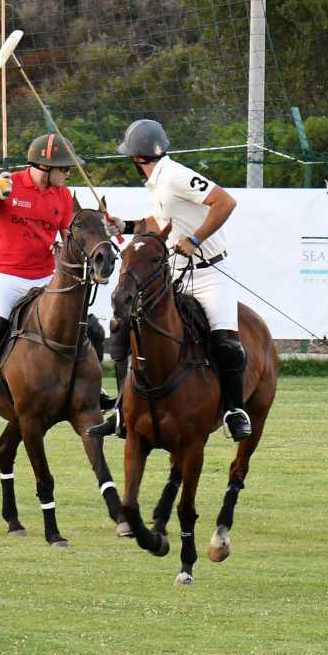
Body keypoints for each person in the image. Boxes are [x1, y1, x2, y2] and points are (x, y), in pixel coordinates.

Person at [88, 119, 252, 442]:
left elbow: (225, 202)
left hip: (210, 273)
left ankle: (234, 409)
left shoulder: (174, 175)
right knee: (124, 328)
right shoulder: (156, 183)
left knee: (226, 344)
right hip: (176, 272)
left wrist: (195, 238)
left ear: (137, 157)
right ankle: (123, 408)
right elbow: (159, 222)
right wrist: (126, 226)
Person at [0, 134, 78, 425]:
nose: (68, 172)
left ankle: (86, 387)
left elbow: (68, 236)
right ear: (45, 167)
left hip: (44, 276)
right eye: (64, 167)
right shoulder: (10, 183)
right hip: (5, 274)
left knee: (81, 324)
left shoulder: (63, 196)